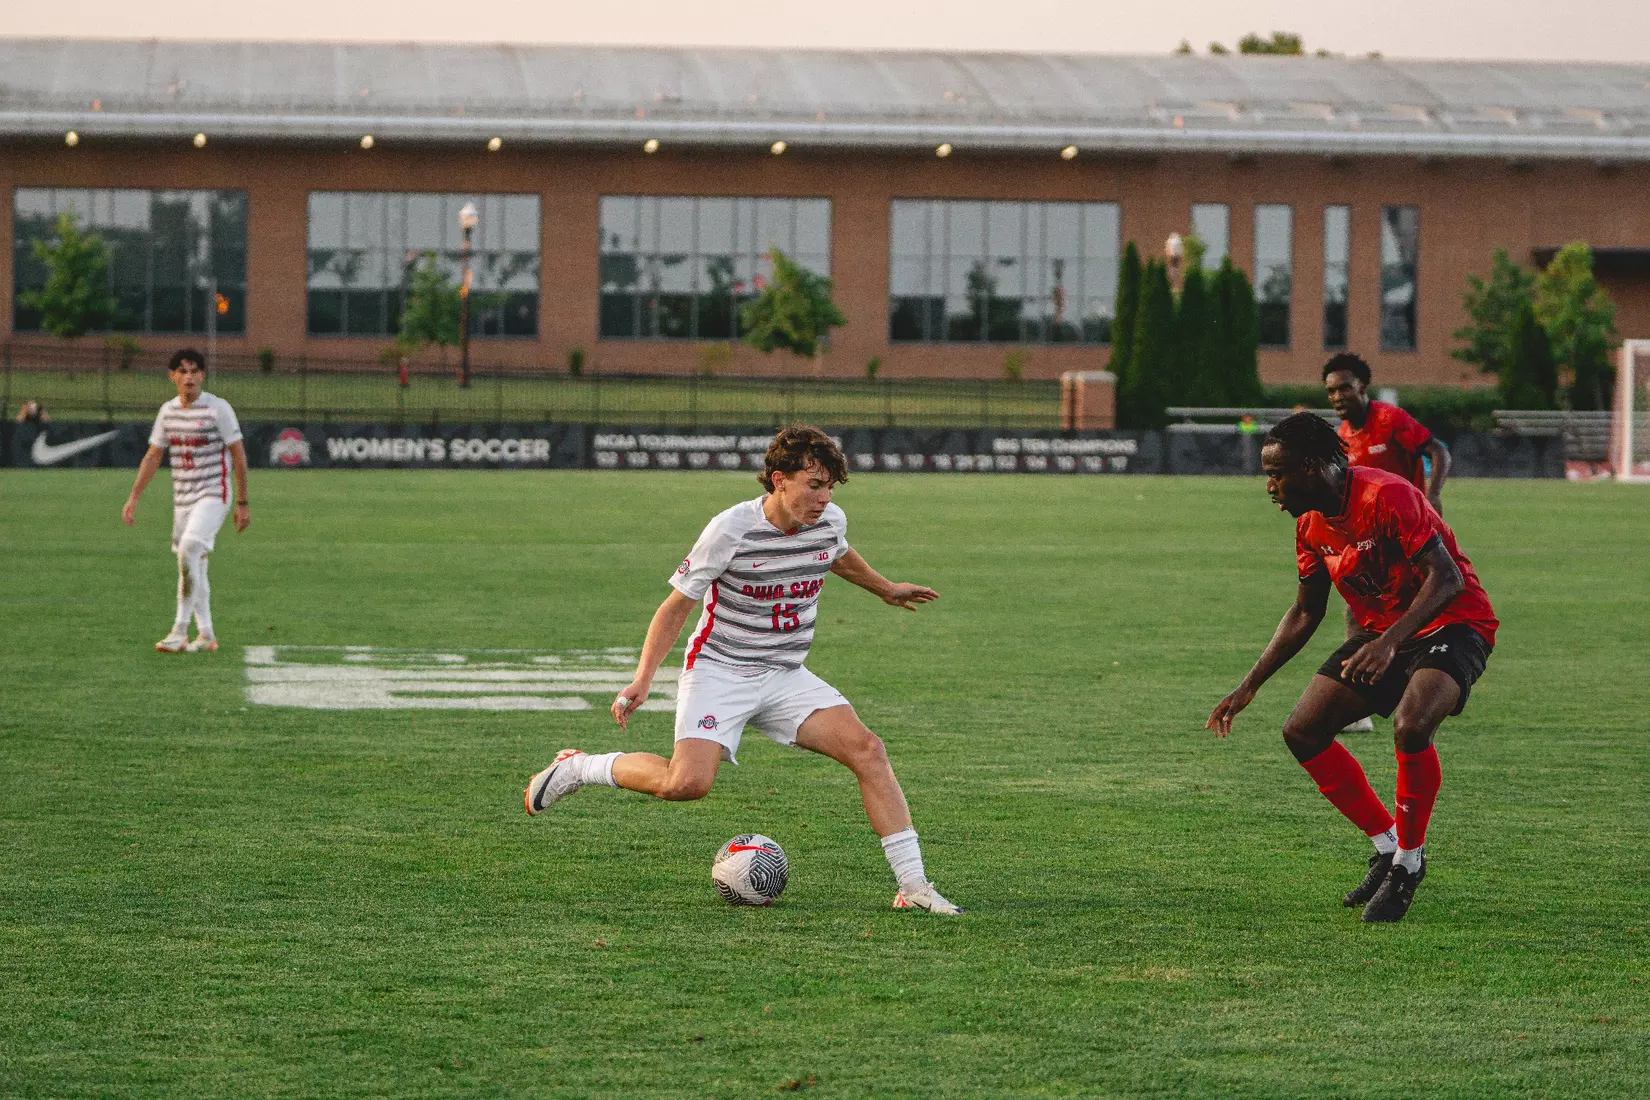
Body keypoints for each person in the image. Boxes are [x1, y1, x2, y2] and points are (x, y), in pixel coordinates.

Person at [523, 425, 962, 915]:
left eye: (830, 487)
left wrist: (885, 588)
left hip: (784, 674)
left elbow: (835, 554)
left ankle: (914, 886)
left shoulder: (829, 521)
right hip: (720, 670)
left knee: (868, 750)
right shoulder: (731, 528)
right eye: (813, 485)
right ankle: (579, 766)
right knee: (686, 785)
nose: (823, 498)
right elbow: (675, 607)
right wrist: (644, 677)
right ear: (779, 479)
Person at [1206, 413, 1497, 923]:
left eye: (1277, 473)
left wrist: (1388, 642)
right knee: (1303, 731)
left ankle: (1408, 865)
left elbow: (1446, 578)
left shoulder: (1388, 496)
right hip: (1383, 634)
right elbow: (1305, 611)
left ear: (1317, 466)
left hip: (1453, 622)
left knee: (1411, 726)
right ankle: (1386, 845)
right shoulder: (1310, 526)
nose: (1270, 487)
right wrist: (1249, 684)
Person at [1323, 352, 1452, 733]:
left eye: (1345, 387)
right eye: (1331, 390)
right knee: (1358, 607)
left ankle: (1428, 686)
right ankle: (1359, 703)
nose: (1338, 396)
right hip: (1373, 540)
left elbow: (1437, 450)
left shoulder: (1390, 419)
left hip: (1411, 532)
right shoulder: (1341, 438)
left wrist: (1435, 493)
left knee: (1426, 603)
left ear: (1363, 386)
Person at [122, 349, 250, 653]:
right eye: (182, 371)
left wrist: (243, 503)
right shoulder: (167, 412)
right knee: (195, 562)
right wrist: (134, 497)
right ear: (172, 377)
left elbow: (239, 456)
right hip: (183, 499)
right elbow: (154, 455)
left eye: (194, 371)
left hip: (213, 493)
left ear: (202, 375)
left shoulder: (218, 409)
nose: (189, 377)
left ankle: (179, 630)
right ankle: (206, 634)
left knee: (190, 548)